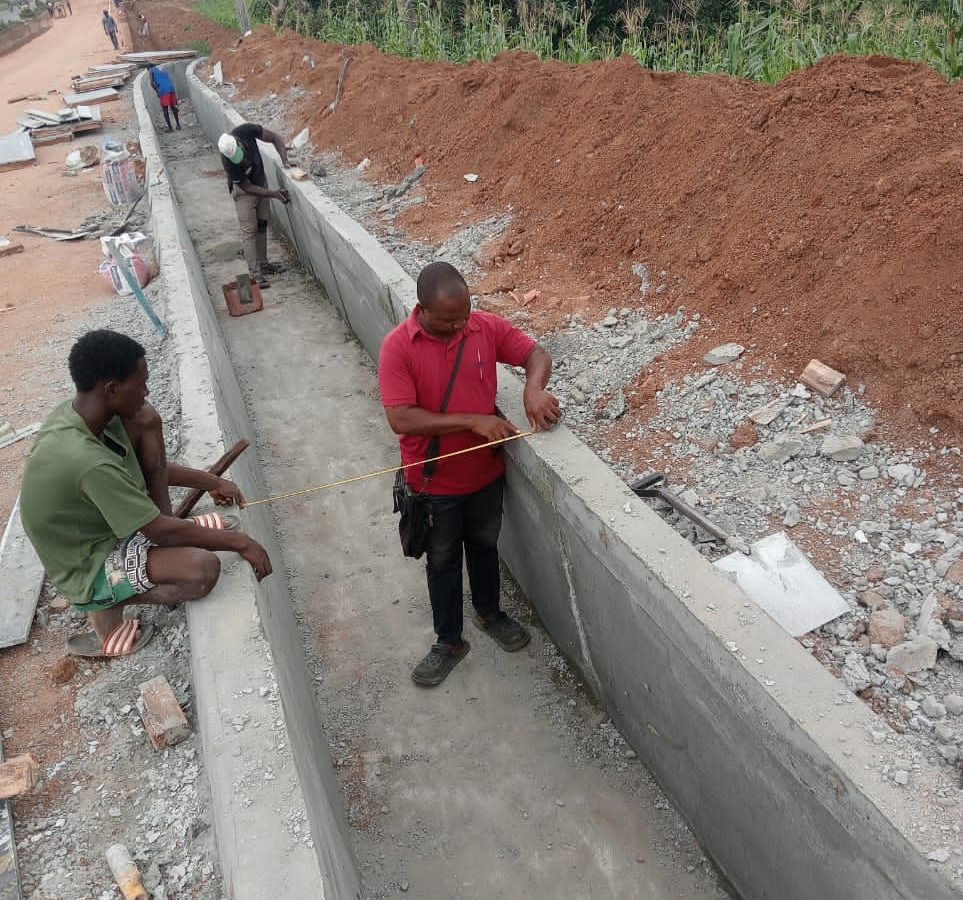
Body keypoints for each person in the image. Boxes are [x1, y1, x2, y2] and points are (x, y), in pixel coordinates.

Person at [20, 330, 273, 659]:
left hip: (105, 522)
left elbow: (139, 469)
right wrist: (241, 543)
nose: (146, 391)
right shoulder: (87, 461)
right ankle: (102, 600)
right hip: (86, 559)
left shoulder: (90, 417)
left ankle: (165, 541)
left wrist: (210, 481)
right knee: (202, 570)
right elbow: (156, 529)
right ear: (111, 389)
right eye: (140, 384)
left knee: (146, 418)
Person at [377, 262, 561, 687]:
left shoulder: (484, 327)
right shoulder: (398, 348)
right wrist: (473, 421)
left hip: (484, 475)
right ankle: (449, 641)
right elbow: (401, 418)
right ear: (422, 309)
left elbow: (536, 354)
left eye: (464, 314)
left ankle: (490, 614)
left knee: (484, 546)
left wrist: (533, 389)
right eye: (448, 320)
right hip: (433, 483)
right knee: (442, 559)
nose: (460, 325)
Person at [217, 124, 291, 290]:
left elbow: (275, 137)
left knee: (262, 225)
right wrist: (273, 194)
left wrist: (285, 161)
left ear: (238, 141)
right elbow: (248, 187)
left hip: (261, 183)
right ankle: (255, 275)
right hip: (244, 192)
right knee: (249, 231)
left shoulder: (247, 131)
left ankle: (264, 265)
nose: (240, 159)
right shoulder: (227, 160)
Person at [148, 65, 179, 132]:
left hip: (163, 89)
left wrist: (157, 91)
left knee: (165, 109)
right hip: (171, 88)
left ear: (148, 68)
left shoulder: (151, 70)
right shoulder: (161, 69)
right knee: (173, 107)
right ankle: (178, 125)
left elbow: (151, 83)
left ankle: (170, 128)